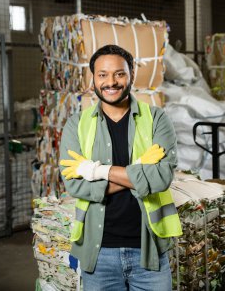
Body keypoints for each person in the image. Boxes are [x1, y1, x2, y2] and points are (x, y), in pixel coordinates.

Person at [59, 44, 182, 291]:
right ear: (92, 78)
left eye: (119, 74)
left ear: (132, 75)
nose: (111, 82)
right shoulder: (77, 125)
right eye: (102, 74)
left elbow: (160, 178)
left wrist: (96, 171)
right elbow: (75, 184)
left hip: (149, 251)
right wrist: (138, 172)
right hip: (99, 252)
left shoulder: (156, 119)